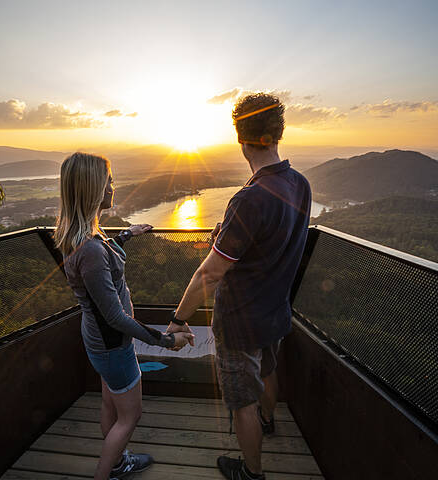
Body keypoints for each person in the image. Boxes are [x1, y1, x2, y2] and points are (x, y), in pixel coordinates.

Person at [166, 93, 311, 480]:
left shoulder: (249, 199)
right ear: (277, 133)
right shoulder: (299, 184)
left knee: (241, 400)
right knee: (267, 371)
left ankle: (251, 472)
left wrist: (179, 319)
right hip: (275, 312)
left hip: (239, 321)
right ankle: (267, 423)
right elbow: (275, 240)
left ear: (240, 138)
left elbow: (209, 274)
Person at [53, 152, 194, 480]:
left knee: (110, 404)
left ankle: (117, 463)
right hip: (113, 344)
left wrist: (126, 236)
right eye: (109, 181)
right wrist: (165, 340)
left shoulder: (83, 238)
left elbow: (99, 263)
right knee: (129, 417)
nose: (113, 187)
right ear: (93, 188)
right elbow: (115, 316)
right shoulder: (89, 249)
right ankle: (109, 472)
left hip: (99, 342)